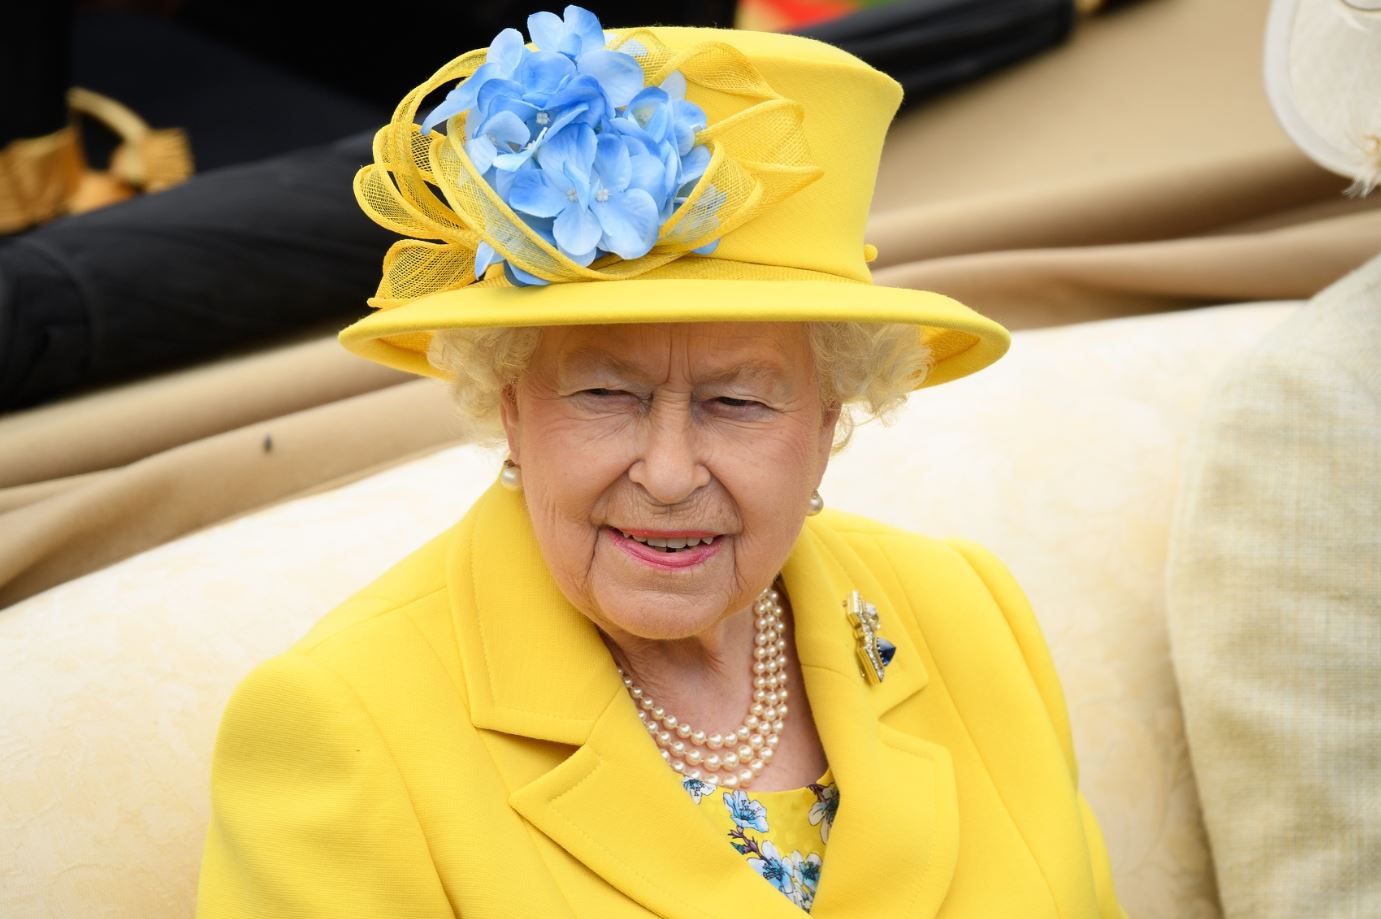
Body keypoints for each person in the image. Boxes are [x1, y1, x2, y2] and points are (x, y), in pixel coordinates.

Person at [195, 6, 1128, 916]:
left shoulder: (965, 610)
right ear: (510, 406)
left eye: (737, 401)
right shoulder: (340, 724)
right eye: (606, 395)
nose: (670, 472)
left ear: (827, 423)